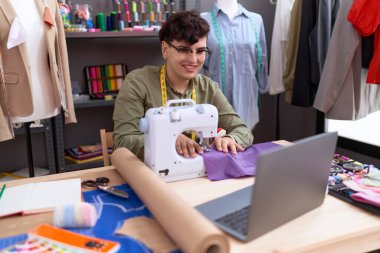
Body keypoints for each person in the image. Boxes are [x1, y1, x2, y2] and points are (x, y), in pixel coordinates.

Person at [113, 11, 253, 161]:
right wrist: (165, 139)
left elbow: (242, 130)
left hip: (197, 175)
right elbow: (122, 142)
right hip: (152, 173)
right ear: (165, 49)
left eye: (200, 51)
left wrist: (231, 138)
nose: (193, 59)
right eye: (184, 50)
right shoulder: (137, 83)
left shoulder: (208, 87)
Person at [0, 0, 76, 142]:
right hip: (12, 100)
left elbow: (60, 53)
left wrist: (69, 106)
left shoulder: (49, 2)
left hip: (47, 96)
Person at [201, 0, 268, 130]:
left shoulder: (255, 20)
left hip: (246, 99)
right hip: (215, 102)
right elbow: (199, 62)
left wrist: (263, 84)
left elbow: (262, 57)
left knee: (244, 143)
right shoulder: (204, 22)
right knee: (218, 147)